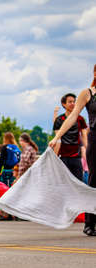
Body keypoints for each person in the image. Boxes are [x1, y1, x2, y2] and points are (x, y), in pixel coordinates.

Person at [50, 64, 96, 236]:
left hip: (81, 151)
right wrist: (57, 137)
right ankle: (90, 223)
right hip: (95, 141)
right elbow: (73, 117)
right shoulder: (87, 93)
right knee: (93, 181)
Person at [53, 93, 88, 181]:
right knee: (63, 182)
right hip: (63, 157)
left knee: (78, 182)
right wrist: (55, 157)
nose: (73, 104)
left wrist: (88, 150)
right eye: (70, 102)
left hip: (76, 156)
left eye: (74, 102)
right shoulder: (59, 120)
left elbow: (84, 136)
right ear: (63, 104)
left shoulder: (80, 119)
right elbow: (58, 139)